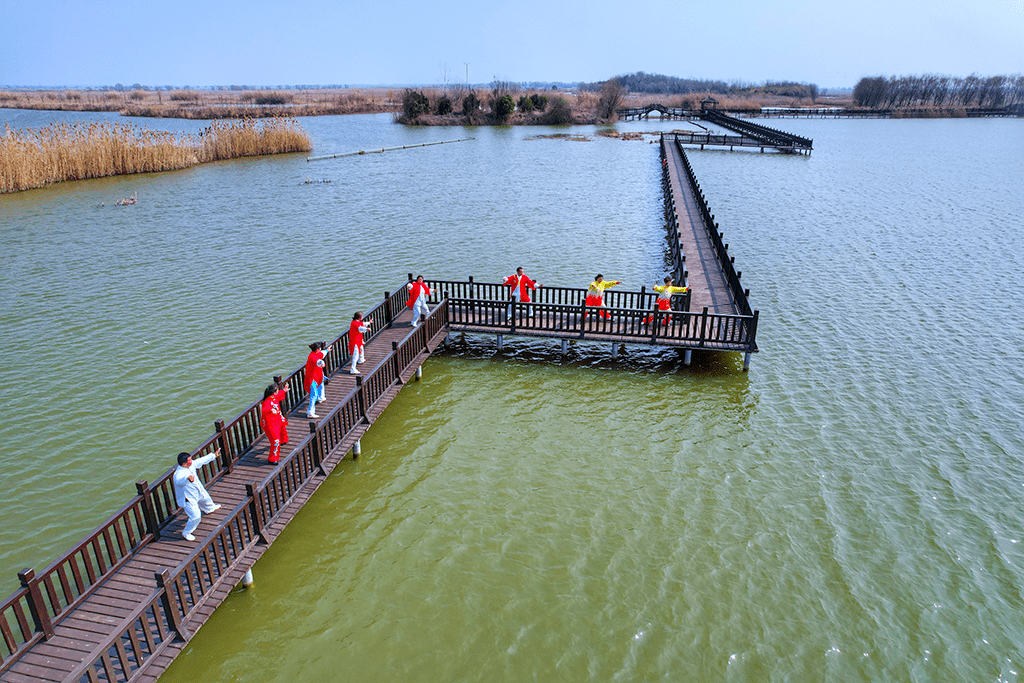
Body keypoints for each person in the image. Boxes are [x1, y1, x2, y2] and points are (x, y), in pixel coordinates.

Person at [173, 450, 221, 541]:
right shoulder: (178, 474)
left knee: (206, 499)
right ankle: (186, 532)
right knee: (196, 516)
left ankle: (209, 509)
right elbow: (179, 481)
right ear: (184, 464)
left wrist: (213, 455)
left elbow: (201, 461)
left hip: (198, 491)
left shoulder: (191, 465)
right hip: (188, 499)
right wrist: (187, 478)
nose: (192, 461)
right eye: (189, 460)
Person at [260, 383, 287, 463]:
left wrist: (284, 390)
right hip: (270, 423)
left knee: (283, 427)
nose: (278, 391)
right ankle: (272, 459)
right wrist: (271, 410)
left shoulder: (274, 397)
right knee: (275, 440)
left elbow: (279, 394)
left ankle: (284, 439)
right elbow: (264, 410)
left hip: (277, 418)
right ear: (273, 392)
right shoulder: (267, 402)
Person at [303, 342, 331, 418]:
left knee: (321, 385)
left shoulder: (316, 354)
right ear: (317, 349)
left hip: (318, 376)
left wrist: (327, 350)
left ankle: (321, 397)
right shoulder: (312, 357)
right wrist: (322, 363)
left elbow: (322, 353)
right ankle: (310, 412)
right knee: (313, 395)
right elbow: (317, 361)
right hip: (312, 378)